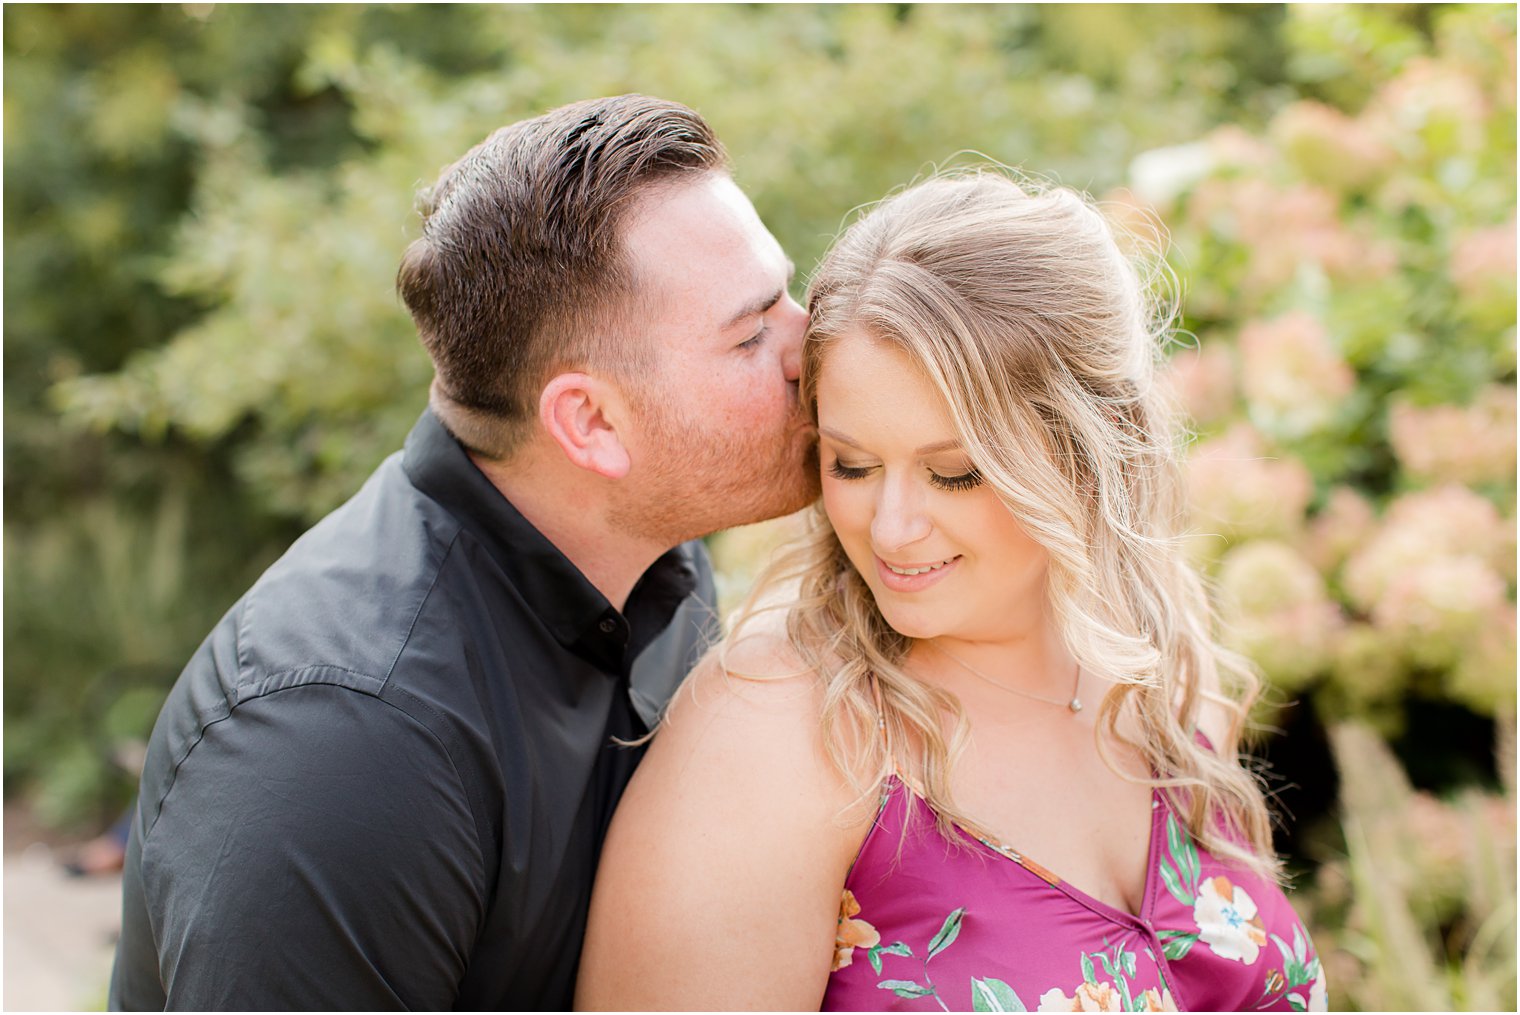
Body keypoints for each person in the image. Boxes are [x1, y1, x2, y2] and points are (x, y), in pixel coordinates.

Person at [108, 94, 816, 1010]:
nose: (813, 343)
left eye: (786, 295)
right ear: (590, 422)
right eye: (753, 333)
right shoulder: (344, 749)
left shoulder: (650, 564)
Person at [577, 169, 1329, 1012]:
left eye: (955, 473)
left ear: (1091, 448)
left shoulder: (1153, 673)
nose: (893, 527)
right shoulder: (781, 732)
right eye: (852, 464)